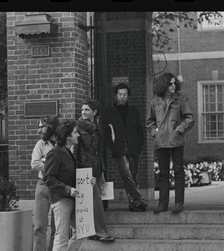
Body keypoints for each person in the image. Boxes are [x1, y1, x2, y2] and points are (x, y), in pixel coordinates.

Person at [43, 121, 91, 251]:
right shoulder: (55, 153)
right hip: (61, 199)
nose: (78, 135)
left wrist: (86, 182)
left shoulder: (68, 152)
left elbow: (72, 175)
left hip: (69, 198)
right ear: (68, 136)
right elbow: (48, 178)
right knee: (61, 237)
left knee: (81, 232)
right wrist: (68, 189)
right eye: (75, 133)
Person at [147, 73, 194, 214]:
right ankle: (163, 204)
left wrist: (180, 129)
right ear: (164, 85)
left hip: (176, 140)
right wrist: (155, 132)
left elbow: (189, 118)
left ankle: (179, 203)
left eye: (174, 83)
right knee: (163, 173)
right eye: (170, 84)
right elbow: (149, 121)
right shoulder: (154, 102)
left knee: (178, 172)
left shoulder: (181, 99)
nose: (173, 86)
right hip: (161, 141)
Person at [102, 83, 148, 212]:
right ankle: (139, 199)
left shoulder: (133, 110)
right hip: (119, 148)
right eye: (120, 94)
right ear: (116, 95)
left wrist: (140, 143)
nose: (122, 97)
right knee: (126, 174)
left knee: (134, 175)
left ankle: (134, 204)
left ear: (128, 96)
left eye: (124, 95)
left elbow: (139, 128)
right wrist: (111, 145)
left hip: (133, 147)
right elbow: (105, 131)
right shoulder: (109, 111)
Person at [75, 99, 115, 242]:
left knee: (97, 200)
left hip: (96, 168)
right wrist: (79, 171)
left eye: (87, 110)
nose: (83, 112)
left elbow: (101, 151)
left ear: (94, 112)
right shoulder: (78, 127)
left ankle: (94, 231)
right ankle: (100, 232)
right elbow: (75, 151)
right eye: (82, 110)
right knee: (95, 200)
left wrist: (102, 172)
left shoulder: (97, 128)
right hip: (84, 169)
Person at [29, 116, 61, 251]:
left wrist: (45, 162)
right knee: (39, 226)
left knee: (57, 228)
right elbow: (34, 164)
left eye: (42, 127)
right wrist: (54, 167)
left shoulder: (63, 144)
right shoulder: (40, 144)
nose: (39, 130)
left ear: (52, 127)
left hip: (58, 188)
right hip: (42, 186)